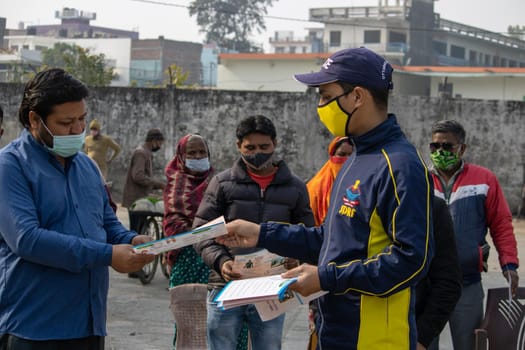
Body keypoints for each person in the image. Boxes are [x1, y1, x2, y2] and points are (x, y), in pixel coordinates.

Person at [217, 47, 434, 350]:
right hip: (336, 331)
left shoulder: (400, 165)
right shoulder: (355, 159)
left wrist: (326, 278)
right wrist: (261, 231)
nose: (320, 105)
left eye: (325, 95)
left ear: (357, 97)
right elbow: (331, 239)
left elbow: (412, 260)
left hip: (374, 339)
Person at [0, 68, 154, 350]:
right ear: (35, 120)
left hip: (88, 321)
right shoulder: (10, 166)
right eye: (66, 122)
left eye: (81, 120)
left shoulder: (87, 166)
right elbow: (27, 239)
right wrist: (108, 255)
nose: (77, 130)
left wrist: (131, 240)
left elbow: (107, 224)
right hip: (34, 326)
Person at [194, 115, 314, 350]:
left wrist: (296, 259)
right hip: (226, 286)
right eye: (250, 147)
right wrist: (221, 262)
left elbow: (307, 235)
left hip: (273, 287)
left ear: (275, 144)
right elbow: (202, 231)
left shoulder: (295, 187)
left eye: (264, 147)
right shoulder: (222, 184)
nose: (257, 153)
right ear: (238, 146)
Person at [428, 119, 519, 350]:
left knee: (468, 345)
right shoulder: (419, 179)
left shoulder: (484, 180)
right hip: (426, 283)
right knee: (423, 344)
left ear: (462, 148)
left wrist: (509, 264)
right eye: (435, 146)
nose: (440, 152)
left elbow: (501, 223)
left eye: (447, 146)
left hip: (466, 284)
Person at [162, 134, 215, 345]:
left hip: (216, 261)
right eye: (192, 153)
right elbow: (172, 224)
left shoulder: (218, 182)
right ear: (181, 156)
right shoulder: (174, 183)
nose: (198, 156)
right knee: (189, 325)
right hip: (186, 262)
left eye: (202, 152)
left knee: (219, 324)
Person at [415, 196, 462, 350]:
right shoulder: (357, 202)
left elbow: (448, 283)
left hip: (413, 329)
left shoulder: (431, 207)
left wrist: (422, 338)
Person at [122, 128, 166, 232]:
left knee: (140, 229)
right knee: (136, 231)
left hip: (141, 197)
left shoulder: (147, 153)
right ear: (154, 141)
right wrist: (158, 184)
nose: (160, 146)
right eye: (160, 143)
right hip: (136, 199)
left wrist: (155, 185)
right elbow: (138, 176)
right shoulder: (141, 153)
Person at [307, 136, 353, 226]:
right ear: (332, 156)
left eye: (351, 155)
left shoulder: (364, 183)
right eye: (341, 154)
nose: (347, 160)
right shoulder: (315, 187)